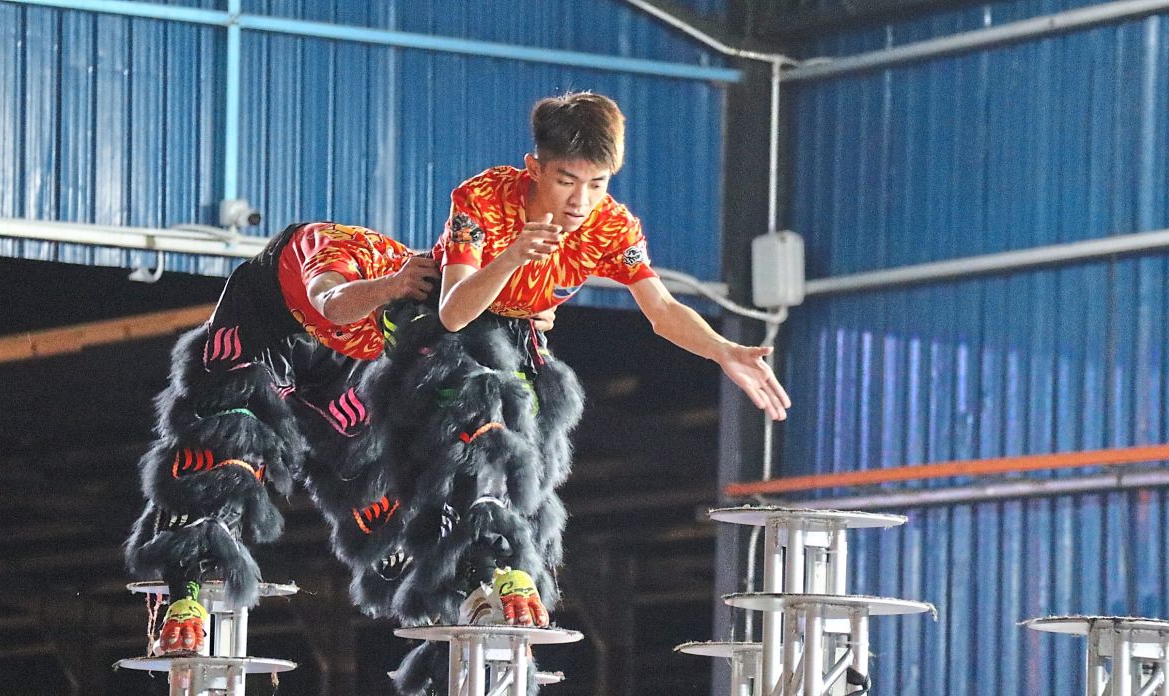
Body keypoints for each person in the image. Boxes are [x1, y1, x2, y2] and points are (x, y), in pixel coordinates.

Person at [125, 221, 441, 655]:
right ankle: (187, 588)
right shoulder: (341, 254)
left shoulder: (429, 309)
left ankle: (437, 576)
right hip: (269, 318)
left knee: (370, 454)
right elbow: (331, 301)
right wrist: (392, 285)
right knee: (229, 441)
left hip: (341, 350)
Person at [436, 91, 790, 425]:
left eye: (597, 184)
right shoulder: (483, 198)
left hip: (518, 339)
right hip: (439, 328)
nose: (581, 201)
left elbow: (663, 310)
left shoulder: (611, 227)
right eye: (566, 181)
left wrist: (721, 349)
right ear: (535, 168)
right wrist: (512, 258)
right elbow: (452, 315)